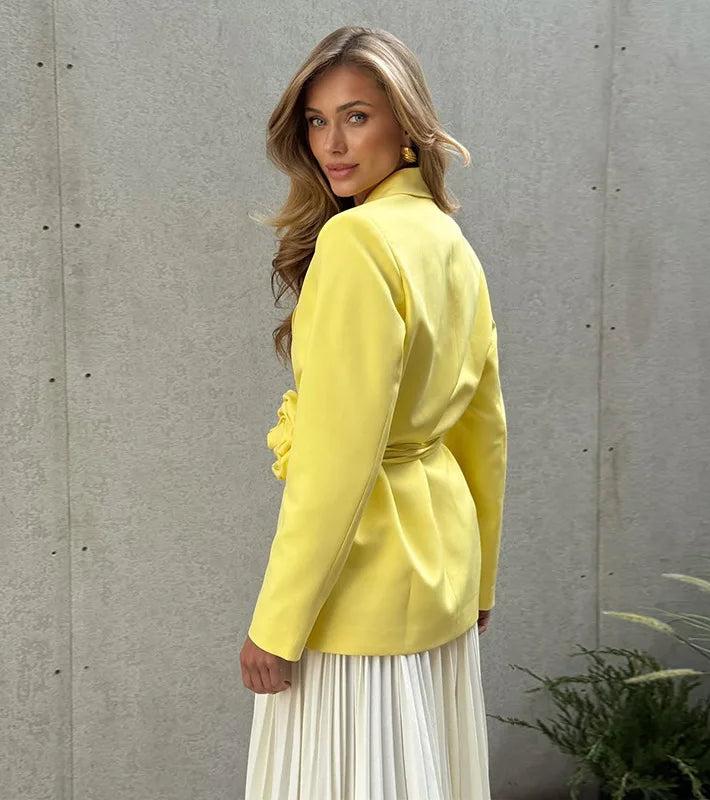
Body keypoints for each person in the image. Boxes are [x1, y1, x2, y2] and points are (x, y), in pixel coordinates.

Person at [240, 25, 507, 800]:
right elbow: (482, 430)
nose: (332, 143)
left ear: (407, 121)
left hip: (359, 583)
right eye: (317, 121)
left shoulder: (357, 240)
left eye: (357, 115)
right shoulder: (448, 241)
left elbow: (335, 459)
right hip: (442, 568)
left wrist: (277, 624)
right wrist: (482, 578)